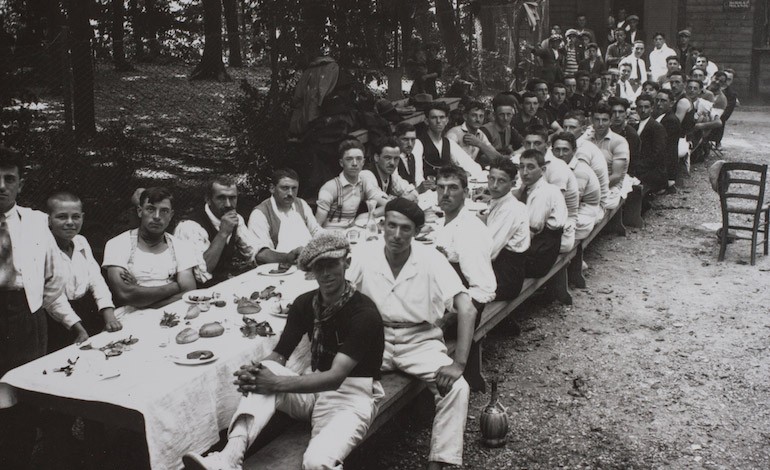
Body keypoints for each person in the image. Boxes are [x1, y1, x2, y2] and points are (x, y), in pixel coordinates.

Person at [183, 232, 385, 470]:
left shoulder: (364, 314)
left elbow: (334, 378)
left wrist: (274, 383)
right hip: (312, 391)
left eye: (332, 264)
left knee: (316, 462)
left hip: (351, 397)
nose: (326, 273)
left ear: (347, 263)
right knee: (265, 370)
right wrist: (255, 373)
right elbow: (279, 355)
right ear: (310, 271)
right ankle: (229, 458)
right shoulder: (304, 303)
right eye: (319, 267)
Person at [347, 197, 477, 469]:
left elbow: (467, 309)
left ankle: (440, 461)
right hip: (375, 340)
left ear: (416, 232)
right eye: (391, 226)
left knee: (457, 387)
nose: (396, 235)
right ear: (382, 226)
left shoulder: (431, 258)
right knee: (338, 380)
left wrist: (459, 364)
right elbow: (341, 296)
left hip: (419, 340)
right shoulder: (364, 254)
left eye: (405, 228)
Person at [0, 146, 81, 469]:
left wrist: (71, 322)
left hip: (25, 320)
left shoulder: (35, 223)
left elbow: (52, 281)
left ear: (20, 183)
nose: (1, 187)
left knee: (22, 402)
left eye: (9, 179)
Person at [102, 187, 200, 318]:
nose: (157, 217)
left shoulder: (181, 247)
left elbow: (188, 292)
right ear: (140, 211)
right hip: (130, 315)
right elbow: (126, 294)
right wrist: (175, 286)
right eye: (150, 209)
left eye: (164, 211)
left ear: (171, 215)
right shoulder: (117, 244)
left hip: (173, 313)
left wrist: (140, 294)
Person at [45, 192, 117, 353]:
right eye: (62, 217)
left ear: (83, 217)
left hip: (87, 310)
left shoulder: (81, 241)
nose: (70, 222)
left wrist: (108, 314)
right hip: (58, 320)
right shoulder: (44, 249)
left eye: (76, 217)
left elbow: (96, 279)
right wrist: (78, 328)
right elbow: (53, 298)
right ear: (49, 219)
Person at [174, 177, 260, 287]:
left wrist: (285, 258)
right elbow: (202, 274)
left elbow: (253, 252)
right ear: (208, 199)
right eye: (221, 198)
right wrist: (223, 233)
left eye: (232, 198)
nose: (228, 204)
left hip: (223, 286)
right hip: (196, 293)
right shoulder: (190, 227)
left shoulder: (236, 219)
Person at [433, 165, 496, 307]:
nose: (445, 193)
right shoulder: (445, 222)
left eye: (453, 188)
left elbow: (483, 289)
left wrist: (454, 316)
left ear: (465, 193)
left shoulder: (469, 231)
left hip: (454, 309)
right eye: (440, 187)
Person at [518, 126, 580, 253]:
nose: (532, 148)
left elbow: (551, 208)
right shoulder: (528, 163)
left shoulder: (557, 167)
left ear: (546, 145)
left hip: (559, 232)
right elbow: (521, 191)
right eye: (528, 143)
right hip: (540, 223)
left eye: (537, 143)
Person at [248, 168, 324, 265]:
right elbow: (260, 254)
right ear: (272, 188)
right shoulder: (260, 213)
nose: (290, 194)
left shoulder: (301, 204)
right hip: (276, 269)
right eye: (285, 188)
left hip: (309, 262)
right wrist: (288, 257)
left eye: (294, 188)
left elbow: (316, 231)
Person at [514, 149, 567, 278]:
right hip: (541, 248)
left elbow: (530, 233)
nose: (524, 173)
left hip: (540, 257)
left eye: (530, 167)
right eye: (521, 167)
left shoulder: (542, 193)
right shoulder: (532, 187)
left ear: (542, 170)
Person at [482, 158, 530, 301]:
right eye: (492, 179)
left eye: (501, 181)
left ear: (513, 184)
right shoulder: (501, 201)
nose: (494, 185)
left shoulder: (510, 209)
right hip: (500, 270)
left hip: (505, 279)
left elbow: (489, 252)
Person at [315, 139, 389, 230]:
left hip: (353, 233)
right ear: (341, 163)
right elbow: (316, 226)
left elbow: (388, 205)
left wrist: (363, 216)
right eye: (349, 159)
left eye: (358, 159)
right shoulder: (330, 187)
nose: (354, 163)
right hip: (331, 235)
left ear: (363, 162)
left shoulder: (363, 182)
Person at [552, 133, 603, 240]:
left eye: (565, 150)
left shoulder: (580, 171)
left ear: (574, 151)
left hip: (583, 215)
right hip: (572, 210)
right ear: (552, 151)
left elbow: (571, 203)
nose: (561, 154)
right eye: (557, 150)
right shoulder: (556, 166)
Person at [417, 102, 483, 181]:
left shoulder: (448, 143)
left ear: (447, 120)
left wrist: (463, 174)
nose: (438, 121)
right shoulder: (418, 143)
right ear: (427, 121)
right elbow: (417, 176)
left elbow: (474, 167)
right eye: (434, 118)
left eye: (442, 117)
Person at [563, 111, 611, 209]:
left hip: (594, 204)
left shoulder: (582, 150)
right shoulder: (572, 145)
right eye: (565, 127)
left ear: (583, 129)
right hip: (585, 197)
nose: (567, 131)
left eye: (572, 127)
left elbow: (579, 188)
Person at [586, 103, 630, 209]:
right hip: (588, 185)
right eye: (597, 119)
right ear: (591, 120)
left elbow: (616, 176)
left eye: (604, 120)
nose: (600, 124)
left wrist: (592, 190)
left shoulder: (619, 142)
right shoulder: (586, 140)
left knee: (591, 207)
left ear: (610, 121)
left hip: (611, 187)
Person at [361, 137, 419, 201]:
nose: (392, 163)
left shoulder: (391, 175)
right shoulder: (367, 175)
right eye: (387, 158)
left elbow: (413, 192)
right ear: (376, 157)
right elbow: (384, 203)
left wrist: (399, 200)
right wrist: (403, 201)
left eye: (396, 158)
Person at [631, 94, 668, 193]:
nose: (643, 110)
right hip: (642, 167)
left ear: (652, 109)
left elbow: (658, 153)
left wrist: (638, 166)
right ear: (636, 109)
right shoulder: (636, 126)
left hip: (652, 170)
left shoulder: (657, 127)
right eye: (640, 107)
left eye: (646, 107)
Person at [445, 101, 501, 165]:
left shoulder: (480, 134)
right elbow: (449, 162)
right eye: (474, 115)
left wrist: (479, 143)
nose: (478, 119)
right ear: (465, 117)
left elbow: (498, 159)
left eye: (481, 116)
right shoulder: (454, 134)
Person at [653, 89, 682, 193]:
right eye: (657, 100)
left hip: (665, 167)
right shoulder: (660, 116)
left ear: (671, 103)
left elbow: (666, 149)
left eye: (663, 101)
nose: (659, 104)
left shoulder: (670, 121)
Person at [394, 122, 429, 190]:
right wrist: (418, 189)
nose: (410, 144)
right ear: (396, 139)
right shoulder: (393, 158)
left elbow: (418, 178)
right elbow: (396, 187)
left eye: (413, 140)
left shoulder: (412, 156)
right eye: (405, 139)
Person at [609, 97, 641, 171]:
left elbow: (633, 163)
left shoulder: (631, 135)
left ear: (626, 114)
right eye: (614, 112)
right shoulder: (607, 131)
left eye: (620, 112)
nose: (617, 115)